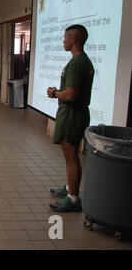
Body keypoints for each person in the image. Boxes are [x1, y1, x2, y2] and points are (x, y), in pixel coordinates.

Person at [47, 24, 94, 213]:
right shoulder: (81, 61)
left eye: (65, 37)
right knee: (69, 154)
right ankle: (69, 188)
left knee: (71, 154)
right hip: (73, 113)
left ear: (74, 39)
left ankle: (73, 199)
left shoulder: (77, 63)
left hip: (72, 114)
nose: (63, 41)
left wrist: (54, 93)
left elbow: (71, 94)